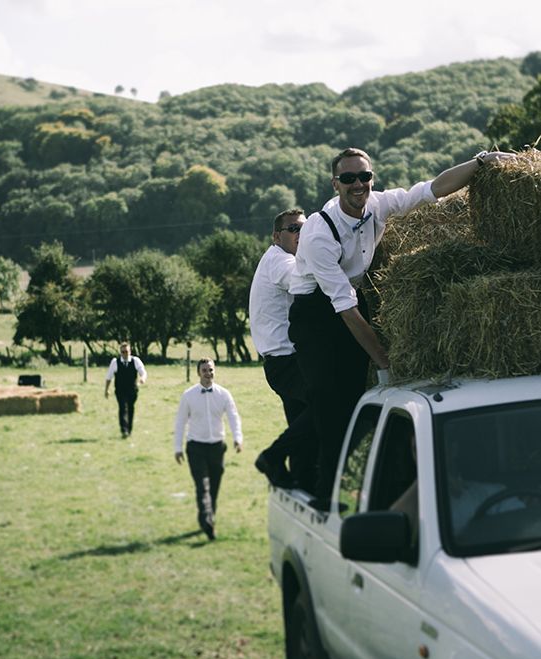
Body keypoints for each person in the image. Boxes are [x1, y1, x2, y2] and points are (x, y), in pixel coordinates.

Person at [255, 146, 515, 501]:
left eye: (364, 176)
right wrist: (385, 363)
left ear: (372, 178)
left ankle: (288, 462)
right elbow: (344, 310)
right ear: (336, 184)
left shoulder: (378, 204)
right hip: (315, 315)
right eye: (348, 178)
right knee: (332, 413)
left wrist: (481, 161)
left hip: (348, 300)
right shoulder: (318, 233)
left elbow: (431, 189)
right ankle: (322, 497)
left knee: (348, 404)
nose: (358, 184)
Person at [249, 208, 313, 487]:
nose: (301, 234)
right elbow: (304, 282)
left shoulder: (276, 259)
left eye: (305, 228)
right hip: (286, 361)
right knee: (328, 405)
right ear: (277, 236)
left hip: (282, 361)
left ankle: (301, 477)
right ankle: (272, 456)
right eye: (294, 229)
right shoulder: (281, 261)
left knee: (301, 420)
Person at [173, 357, 243, 540]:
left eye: (211, 370)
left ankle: (207, 518)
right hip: (195, 446)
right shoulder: (188, 395)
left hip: (217, 447)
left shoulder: (224, 394)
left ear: (214, 371)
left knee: (214, 487)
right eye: (204, 370)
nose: (208, 373)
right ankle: (208, 522)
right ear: (198, 373)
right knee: (202, 486)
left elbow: (233, 416)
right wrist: (177, 447)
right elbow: (180, 422)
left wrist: (238, 438)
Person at [104, 341, 147, 437]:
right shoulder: (115, 362)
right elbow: (109, 377)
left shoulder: (135, 361)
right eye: (123, 352)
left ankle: (129, 429)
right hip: (120, 390)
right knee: (123, 408)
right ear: (120, 352)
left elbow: (143, 372)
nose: (125, 354)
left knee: (131, 408)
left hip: (132, 390)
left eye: (126, 351)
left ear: (130, 351)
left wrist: (142, 379)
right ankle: (124, 430)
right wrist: (106, 389)